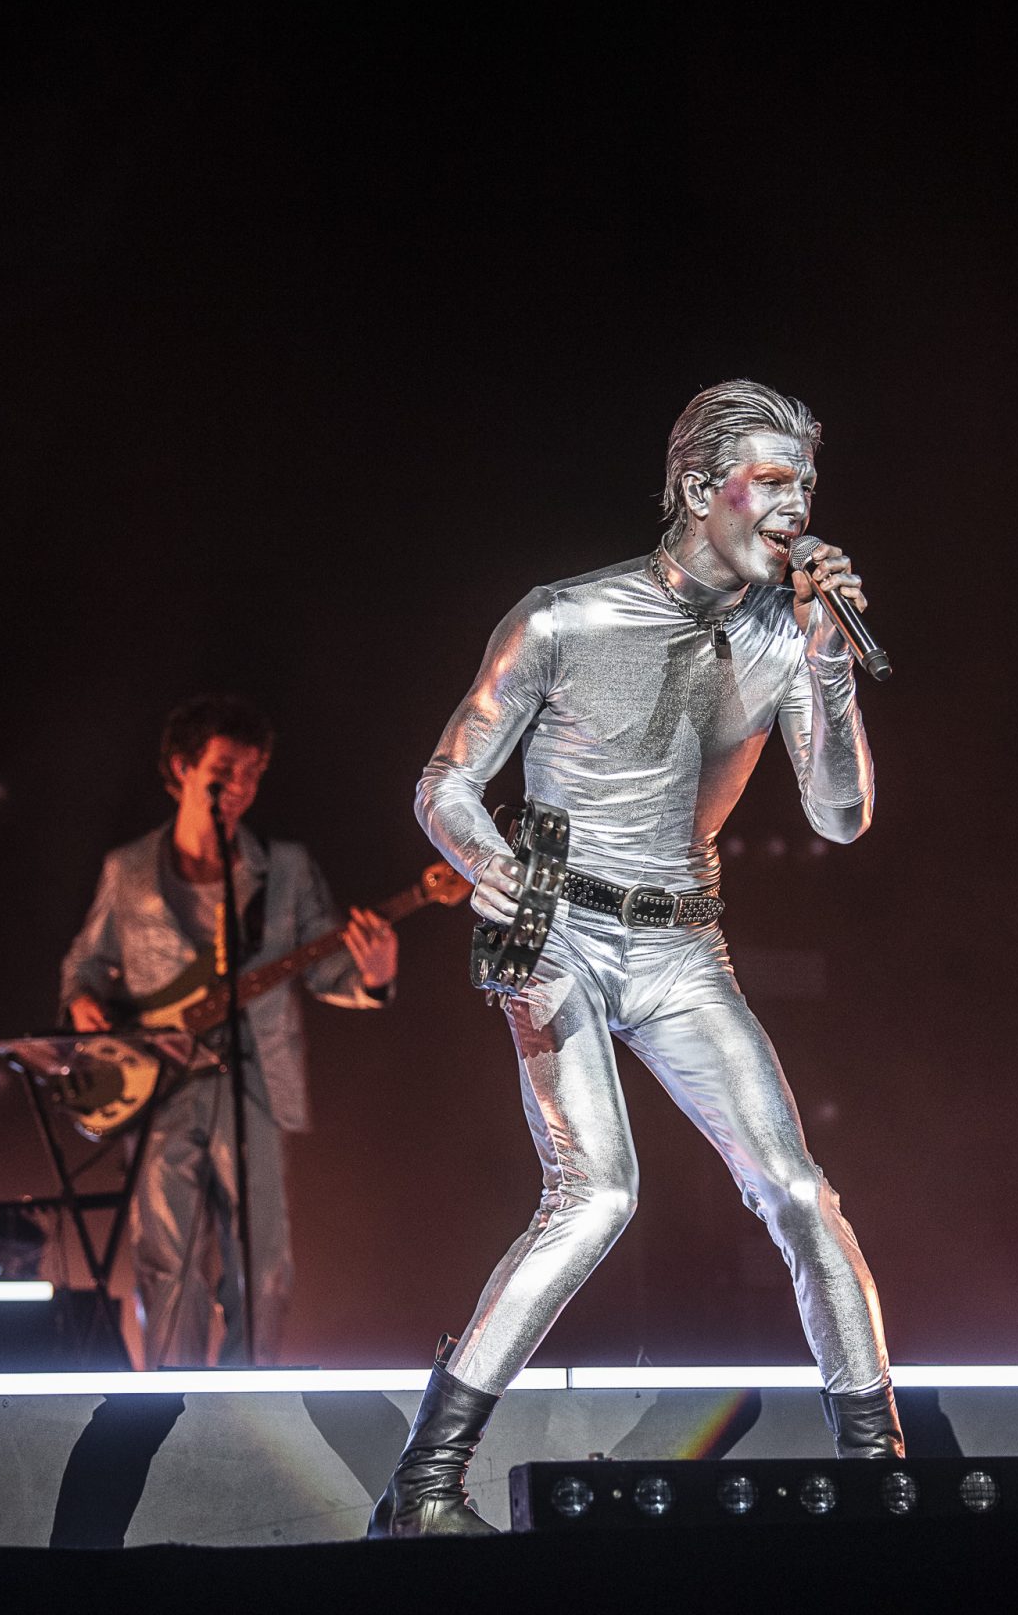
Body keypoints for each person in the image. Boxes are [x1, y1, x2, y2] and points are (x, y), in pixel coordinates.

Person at [369, 379, 903, 1538]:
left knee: (799, 1192)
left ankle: (882, 1475)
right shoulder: (563, 618)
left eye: (808, 485)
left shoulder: (786, 632)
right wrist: (485, 858)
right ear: (700, 488)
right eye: (774, 481)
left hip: (683, 944)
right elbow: (444, 781)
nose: (798, 506)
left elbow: (840, 816)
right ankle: (422, 1486)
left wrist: (825, 662)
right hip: (558, 925)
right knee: (597, 1194)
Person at [61, 694, 397, 1367]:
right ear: (181, 769)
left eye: (251, 773)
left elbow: (327, 970)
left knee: (262, 1264)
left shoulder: (285, 869)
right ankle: (171, 1404)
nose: (239, 787)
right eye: (223, 771)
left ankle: (247, 1404)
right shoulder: (128, 870)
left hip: (253, 1086)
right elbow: (85, 964)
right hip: (160, 1089)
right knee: (166, 1261)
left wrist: (375, 976)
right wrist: (83, 1005)